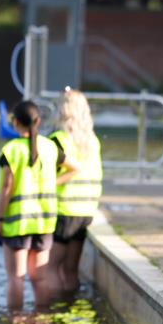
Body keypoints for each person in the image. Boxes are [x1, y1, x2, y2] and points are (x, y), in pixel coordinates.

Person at [0, 101, 76, 312]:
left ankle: (16, 322)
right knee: (39, 278)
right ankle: (42, 317)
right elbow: (74, 168)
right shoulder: (50, 147)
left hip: (16, 223)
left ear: (15, 123)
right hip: (44, 222)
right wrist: (53, 183)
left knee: (16, 278)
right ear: (38, 121)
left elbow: (6, 188)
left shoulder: (11, 150)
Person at [48, 89, 103, 297]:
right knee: (71, 269)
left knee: (50, 267)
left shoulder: (58, 139)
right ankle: (70, 309)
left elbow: (52, 174)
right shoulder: (92, 141)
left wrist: (47, 186)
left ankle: (49, 310)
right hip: (86, 211)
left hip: (65, 210)